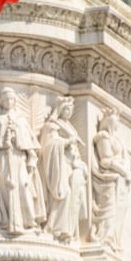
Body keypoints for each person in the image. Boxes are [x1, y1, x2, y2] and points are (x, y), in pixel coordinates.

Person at [0, 88, 46, 234]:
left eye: (12, 99)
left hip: (18, 158)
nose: (9, 102)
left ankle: (27, 221)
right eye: (6, 99)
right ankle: (5, 221)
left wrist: (31, 159)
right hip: (0, 159)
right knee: (4, 188)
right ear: (1, 101)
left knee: (22, 185)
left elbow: (31, 146)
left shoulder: (21, 121)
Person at [40, 97, 89, 243]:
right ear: (60, 110)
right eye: (66, 109)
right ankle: (55, 227)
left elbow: (75, 151)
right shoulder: (52, 125)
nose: (69, 112)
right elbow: (49, 144)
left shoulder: (70, 127)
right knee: (64, 193)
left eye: (71, 110)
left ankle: (68, 229)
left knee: (74, 194)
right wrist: (68, 142)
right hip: (59, 166)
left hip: (70, 165)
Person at [90, 108, 131, 251]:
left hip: (121, 180)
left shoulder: (117, 139)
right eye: (115, 118)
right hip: (110, 178)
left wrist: (127, 170)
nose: (117, 122)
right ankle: (105, 236)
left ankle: (114, 239)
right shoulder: (103, 136)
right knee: (111, 207)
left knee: (121, 209)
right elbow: (105, 161)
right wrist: (123, 171)